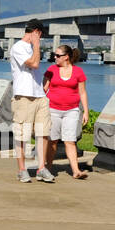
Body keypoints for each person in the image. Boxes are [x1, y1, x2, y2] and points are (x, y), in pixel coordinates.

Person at [9, 18, 54, 183]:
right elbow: (34, 64)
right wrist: (36, 45)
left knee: (43, 133)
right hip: (24, 96)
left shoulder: (31, 47)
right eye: (40, 36)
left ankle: (41, 168)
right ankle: (22, 169)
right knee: (22, 135)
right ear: (37, 32)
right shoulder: (18, 47)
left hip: (40, 96)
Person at [42, 44, 89, 180]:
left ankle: (76, 170)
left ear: (66, 57)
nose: (54, 58)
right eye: (54, 55)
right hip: (53, 109)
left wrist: (85, 111)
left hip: (72, 110)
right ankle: (48, 168)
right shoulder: (51, 70)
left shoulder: (78, 72)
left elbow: (82, 92)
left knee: (70, 141)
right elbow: (43, 89)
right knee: (53, 141)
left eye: (57, 55)